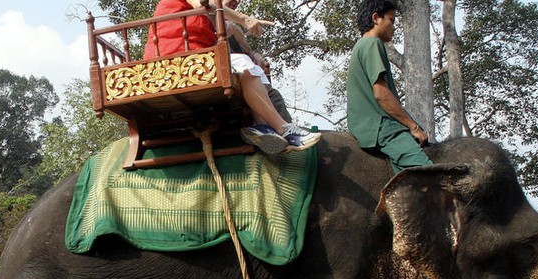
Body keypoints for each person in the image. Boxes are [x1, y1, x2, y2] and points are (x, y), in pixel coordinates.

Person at [144, 0, 321, 154]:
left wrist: (246, 43)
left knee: (253, 68)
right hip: (179, 61)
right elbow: (206, 5)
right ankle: (283, 127)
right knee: (242, 63)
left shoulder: (200, 19)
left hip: (190, 58)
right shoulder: (203, 9)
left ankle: (262, 126)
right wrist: (245, 19)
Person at [347, 0, 431, 174]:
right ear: (376, 18)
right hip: (381, 127)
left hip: (372, 125)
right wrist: (413, 127)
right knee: (431, 175)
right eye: (391, 21)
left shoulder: (361, 46)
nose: (394, 27)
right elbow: (381, 94)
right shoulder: (371, 43)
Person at [223, 0, 291, 123]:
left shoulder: (233, 27)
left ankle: (285, 132)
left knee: (274, 96)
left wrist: (256, 54)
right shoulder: (202, 14)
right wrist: (244, 20)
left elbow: (247, 48)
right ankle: (268, 129)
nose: (236, 1)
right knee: (246, 65)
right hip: (216, 68)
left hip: (239, 72)